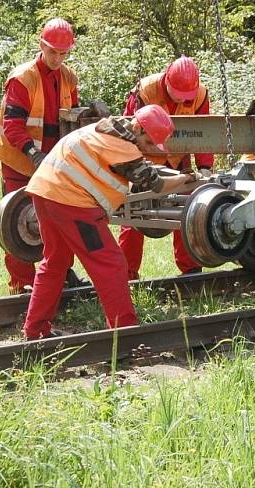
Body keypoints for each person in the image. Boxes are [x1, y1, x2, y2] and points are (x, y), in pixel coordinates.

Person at [22, 104, 195, 339]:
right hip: (72, 202)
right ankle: (124, 334)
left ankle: (35, 330)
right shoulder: (124, 149)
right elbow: (157, 186)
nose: (151, 149)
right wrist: (188, 179)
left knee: (55, 261)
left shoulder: (101, 129)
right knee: (111, 264)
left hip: (44, 191)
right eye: (149, 143)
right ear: (138, 128)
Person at [0, 18, 80, 294]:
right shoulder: (22, 78)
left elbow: (72, 118)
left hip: (53, 162)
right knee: (17, 220)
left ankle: (62, 274)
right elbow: (12, 126)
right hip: (19, 161)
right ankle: (21, 284)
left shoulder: (69, 77)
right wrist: (33, 153)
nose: (57, 58)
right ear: (41, 45)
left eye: (63, 53)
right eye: (53, 51)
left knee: (61, 219)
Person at [118, 55, 213, 279]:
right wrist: (132, 165)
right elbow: (129, 130)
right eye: (176, 94)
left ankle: (191, 270)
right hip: (143, 160)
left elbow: (205, 132)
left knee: (188, 211)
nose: (181, 100)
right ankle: (126, 273)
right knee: (133, 214)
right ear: (167, 81)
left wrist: (205, 167)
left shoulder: (200, 95)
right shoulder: (146, 90)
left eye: (185, 97)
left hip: (178, 160)